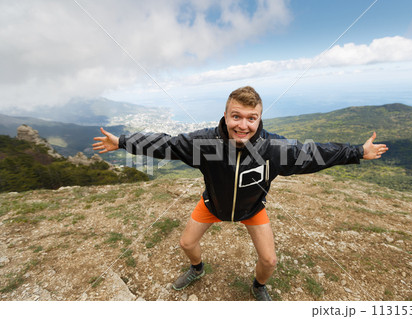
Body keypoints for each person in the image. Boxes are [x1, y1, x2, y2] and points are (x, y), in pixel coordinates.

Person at [92, 86, 388, 301]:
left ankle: (258, 287)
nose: (243, 124)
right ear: (225, 115)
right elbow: (165, 144)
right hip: (213, 205)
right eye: (237, 116)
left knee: (269, 261)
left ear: (259, 120)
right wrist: (121, 141)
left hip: (252, 209)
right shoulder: (204, 143)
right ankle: (197, 269)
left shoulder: (274, 149)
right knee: (186, 243)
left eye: (251, 118)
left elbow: (314, 153)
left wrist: (358, 152)